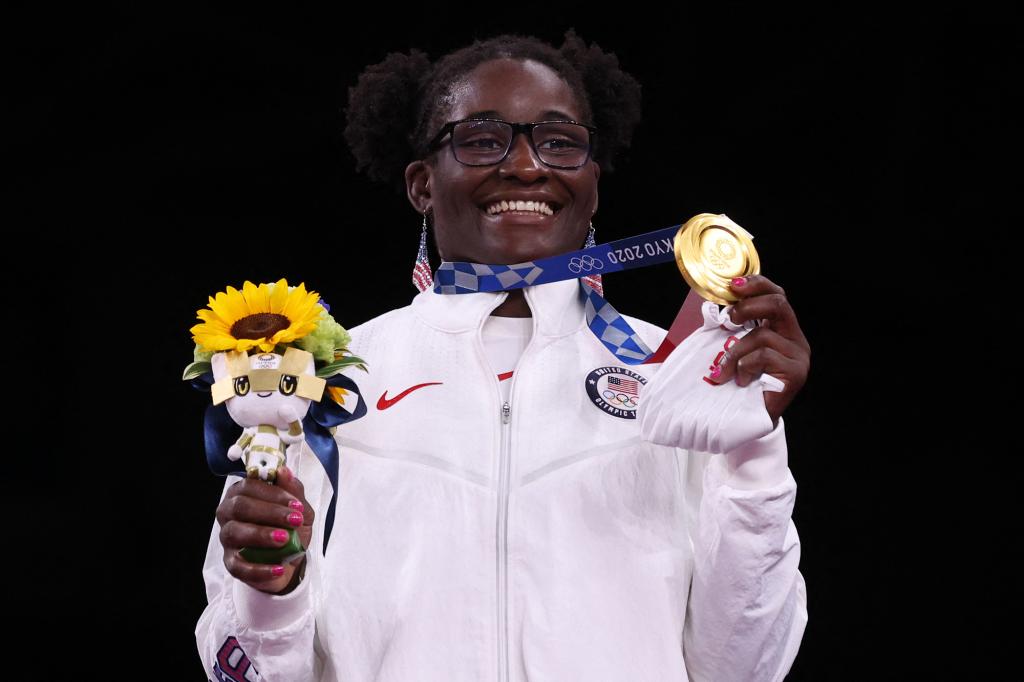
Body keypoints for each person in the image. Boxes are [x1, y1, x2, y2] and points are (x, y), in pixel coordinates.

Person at [196, 29, 810, 681]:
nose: (524, 165)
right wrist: (270, 595)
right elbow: (236, 667)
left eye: (559, 141)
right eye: (483, 139)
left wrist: (754, 452)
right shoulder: (321, 385)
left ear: (592, 184)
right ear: (422, 184)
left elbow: (743, 667)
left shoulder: (681, 375)